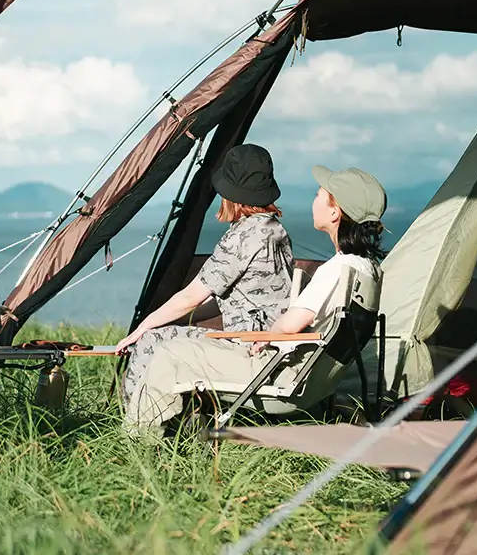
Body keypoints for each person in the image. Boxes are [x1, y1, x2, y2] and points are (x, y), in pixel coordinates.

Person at [122, 164, 386, 436]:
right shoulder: (368, 269)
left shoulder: (337, 269)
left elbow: (290, 324)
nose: (314, 201)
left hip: (276, 372)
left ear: (334, 212)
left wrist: (269, 335)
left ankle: (139, 439)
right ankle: (178, 426)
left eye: (319, 195)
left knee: (169, 353)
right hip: (312, 380)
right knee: (182, 347)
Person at [116, 143, 294, 419]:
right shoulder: (275, 230)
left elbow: (191, 296)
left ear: (230, 194)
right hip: (272, 342)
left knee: (151, 340)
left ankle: (135, 428)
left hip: (248, 346)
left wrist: (142, 326)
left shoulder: (242, 237)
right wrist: (181, 320)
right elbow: (230, 299)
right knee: (166, 332)